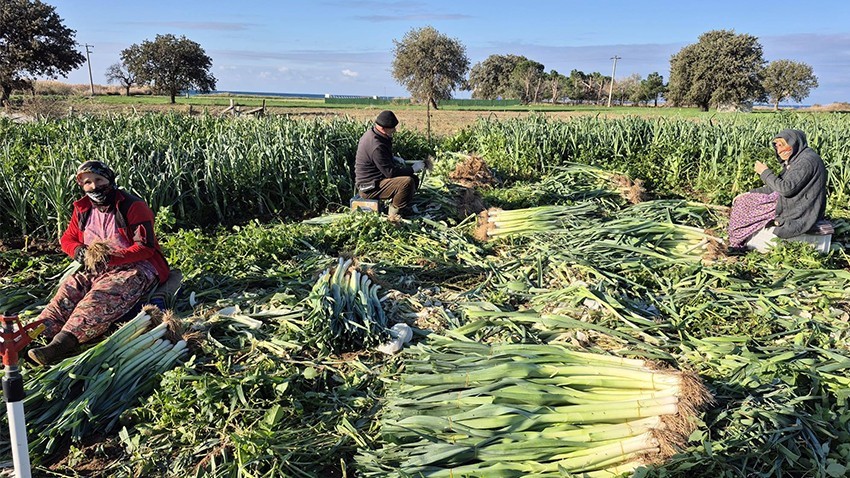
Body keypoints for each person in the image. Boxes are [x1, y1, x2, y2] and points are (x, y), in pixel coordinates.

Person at [28, 161, 170, 365]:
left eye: (99, 180)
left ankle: (61, 344)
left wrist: (110, 259)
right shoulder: (83, 209)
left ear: (109, 180)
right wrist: (77, 251)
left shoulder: (132, 206)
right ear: (82, 186)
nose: (94, 186)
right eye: (88, 183)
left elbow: (145, 247)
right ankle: (36, 335)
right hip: (96, 266)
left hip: (136, 267)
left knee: (100, 296)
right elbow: (67, 238)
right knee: (68, 290)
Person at [727, 129, 827, 250]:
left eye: (783, 145)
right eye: (777, 145)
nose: (779, 150)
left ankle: (737, 243)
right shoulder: (797, 159)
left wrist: (764, 172)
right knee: (744, 200)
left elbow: (786, 189)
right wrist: (749, 193)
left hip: (800, 207)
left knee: (745, 205)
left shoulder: (806, 161)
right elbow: (776, 186)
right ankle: (740, 239)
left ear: (795, 143)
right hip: (793, 201)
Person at [354, 110, 425, 219]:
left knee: (413, 179)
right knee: (406, 183)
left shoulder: (374, 134)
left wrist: (393, 158)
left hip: (377, 180)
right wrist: (413, 168)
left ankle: (402, 206)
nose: (395, 130)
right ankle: (393, 216)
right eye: (392, 128)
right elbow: (390, 173)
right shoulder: (376, 145)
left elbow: (379, 158)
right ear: (383, 128)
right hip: (369, 187)